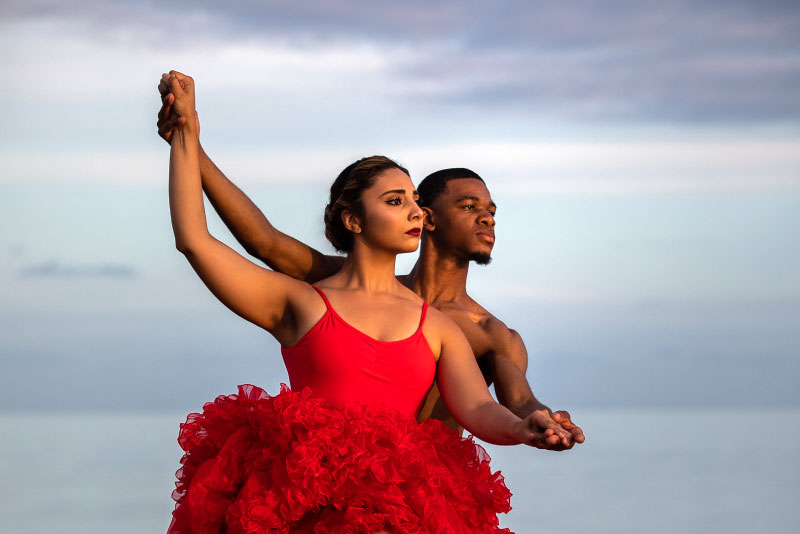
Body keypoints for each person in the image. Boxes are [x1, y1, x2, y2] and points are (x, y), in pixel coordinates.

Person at [164, 70, 572, 533]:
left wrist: (524, 428)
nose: (415, 211)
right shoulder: (304, 301)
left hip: (406, 515)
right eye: (396, 201)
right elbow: (199, 241)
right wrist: (186, 138)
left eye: (414, 201)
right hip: (303, 508)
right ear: (353, 220)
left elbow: (478, 408)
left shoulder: (440, 328)